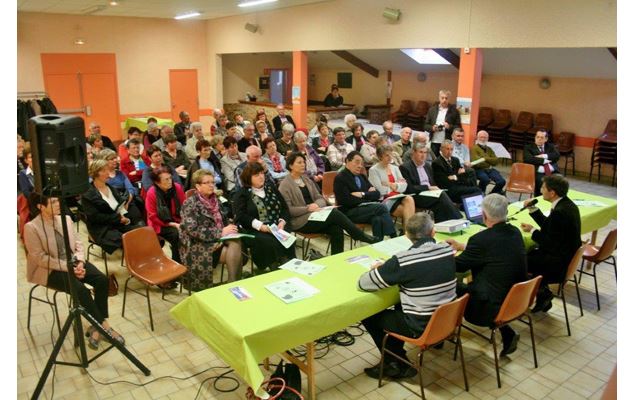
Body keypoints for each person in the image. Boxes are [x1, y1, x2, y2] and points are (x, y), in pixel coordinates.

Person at [359, 212, 456, 379]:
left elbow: (364, 283)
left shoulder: (404, 260)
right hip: (447, 321)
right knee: (401, 305)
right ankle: (398, 358)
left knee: (367, 314)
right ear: (433, 232)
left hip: (421, 326)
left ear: (406, 235)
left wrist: (383, 268)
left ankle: (397, 363)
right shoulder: (447, 249)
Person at [24, 193, 125, 349]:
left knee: (102, 280)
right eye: (53, 202)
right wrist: (69, 268)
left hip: (73, 262)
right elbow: (40, 258)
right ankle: (104, 326)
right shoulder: (32, 227)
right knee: (81, 290)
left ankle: (96, 326)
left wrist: (80, 261)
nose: (58, 204)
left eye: (58, 200)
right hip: (49, 269)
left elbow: (78, 243)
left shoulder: (66, 219)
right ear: (40, 207)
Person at [446, 194, 528, 357]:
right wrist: (464, 246)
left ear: (484, 216)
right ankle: (507, 333)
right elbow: (493, 250)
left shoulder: (481, 240)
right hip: (516, 300)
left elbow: (459, 266)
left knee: (449, 286)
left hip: (486, 306)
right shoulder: (515, 232)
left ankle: (440, 335)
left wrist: (441, 253)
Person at [279, 152, 378, 255]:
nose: (303, 164)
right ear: (290, 165)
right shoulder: (284, 185)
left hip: (315, 214)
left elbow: (320, 198)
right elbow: (288, 210)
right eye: (299, 162)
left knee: (336, 229)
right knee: (334, 213)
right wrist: (307, 209)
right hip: (300, 221)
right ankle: (358, 235)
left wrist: (316, 205)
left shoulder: (306, 179)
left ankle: (337, 259)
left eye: (304, 162)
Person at [520, 175, 581, 313]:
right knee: (528, 254)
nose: (540, 191)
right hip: (564, 255)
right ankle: (542, 291)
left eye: (543, 188)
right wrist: (532, 209)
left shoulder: (560, 212)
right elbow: (551, 227)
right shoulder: (566, 205)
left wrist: (534, 231)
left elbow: (548, 242)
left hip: (557, 262)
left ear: (552, 193)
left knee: (518, 261)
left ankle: (541, 293)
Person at [180, 170, 245, 288]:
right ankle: (234, 283)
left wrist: (229, 226)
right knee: (236, 249)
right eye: (207, 182)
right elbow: (193, 230)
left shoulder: (216, 199)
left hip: (219, 237)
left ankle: (233, 283)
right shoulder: (190, 204)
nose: (211, 185)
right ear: (198, 186)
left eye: (213, 182)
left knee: (237, 241)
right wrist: (221, 232)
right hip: (198, 244)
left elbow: (223, 219)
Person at [232, 162, 295, 272]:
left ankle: (289, 268)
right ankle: (275, 270)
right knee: (270, 242)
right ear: (248, 178)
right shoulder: (242, 194)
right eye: (256, 175)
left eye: (262, 173)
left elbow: (284, 208)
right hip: (253, 229)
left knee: (288, 240)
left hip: (277, 227)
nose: (261, 176)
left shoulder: (271, 188)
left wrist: (282, 222)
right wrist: (261, 226)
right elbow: (241, 216)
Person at [81, 159, 144, 254]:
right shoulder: (88, 194)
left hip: (117, 224)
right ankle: (138, 264)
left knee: (143, 234)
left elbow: (119, 207)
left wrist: (125, 218)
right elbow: (95, 217)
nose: (108, 173)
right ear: (95, 173)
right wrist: (118, 218)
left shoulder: (112, 189)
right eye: (104, 171)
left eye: (108, 170)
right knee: (130, 241)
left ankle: (146, 261)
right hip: (102, 229)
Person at [334, 151, 397, 239]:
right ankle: (394, 237)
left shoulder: (362, 177)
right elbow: (345, 201)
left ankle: (377, 244)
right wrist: (368, 196)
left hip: (365, 209)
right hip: (348, 212)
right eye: (357, 162)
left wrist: (362, 194)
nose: (360, 166)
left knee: (377, 219)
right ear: (347, 161)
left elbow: (377, 194)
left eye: (362, 163)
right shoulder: (340, 178)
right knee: (380, 207)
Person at [400, 143, 462, 222]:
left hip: (430, 194)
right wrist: (428, 187)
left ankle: (441, 225)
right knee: (442, 196)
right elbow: (409, 188)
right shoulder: (405, 167)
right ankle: (458, 219)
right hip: (416, 195)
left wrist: (433, 188)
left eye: (425, 153)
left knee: (440, 203)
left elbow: (433, 183)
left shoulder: (428, 166)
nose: (423, 155)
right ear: (414, 153)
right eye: (420, 152)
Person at [145, 166, 186, 264]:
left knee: (191, 229)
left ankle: (190, 258)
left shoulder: (177, 187)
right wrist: (171, 224)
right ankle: (177, 264)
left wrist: (185, 221)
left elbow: (185, 206)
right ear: (157, 182)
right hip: (159, 223)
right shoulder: (152, 193)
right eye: (166, 179)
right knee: (177, 235)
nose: (170, 181)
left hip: (177, 219)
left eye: (170, 178)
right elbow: (153, 216)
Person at [368, 145, 416, 227]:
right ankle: (408, 233)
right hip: (385, 199)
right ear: (380, 156)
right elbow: (380, 190)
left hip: (398, 196)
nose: (390, 157)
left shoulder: (395, 168)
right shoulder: (373, 170)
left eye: (391, 154)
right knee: (407, 211)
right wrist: (396, 186)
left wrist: (391, 184)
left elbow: (404, 185)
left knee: (409, 198)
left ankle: (407, 233)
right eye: (387, 155)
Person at [424, 90, 462, 156]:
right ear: (439, 98)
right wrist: (432, 128)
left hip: (447, 142)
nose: (444, 100)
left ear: (449, 99)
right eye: (442, 98)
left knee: (445, 161)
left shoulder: (454, 111)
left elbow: (458, 127)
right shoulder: (432, 110)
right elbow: (425, 125)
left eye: (446, 98)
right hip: (434, 141)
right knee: (434, 161)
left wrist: (449, 126)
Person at [523, 129, 560, 196]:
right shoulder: (528, 147)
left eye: (542, 137)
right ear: (535, 137)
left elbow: (556, 155)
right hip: (538, 172)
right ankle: (540, 199)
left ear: (546, 139)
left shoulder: (550, 146)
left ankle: (556, 199)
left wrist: (543, 156)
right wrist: (543, 161)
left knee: (560, 181)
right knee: (542, 182)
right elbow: (527, 159)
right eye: (537, 137)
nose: (539, 139)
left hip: (552, 171)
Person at [470, 130, 506, 195]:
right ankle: (480, 193)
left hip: (490, 169)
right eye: (481, 137)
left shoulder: (489, 149)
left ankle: (492, 194)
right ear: (477, 138)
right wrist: (489, 160)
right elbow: (477, 163)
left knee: (502, 181)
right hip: (478, 170)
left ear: (487, 138)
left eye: (485, 137)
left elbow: (495, 161)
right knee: (485, 179)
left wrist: (485, 158)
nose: (483, 139)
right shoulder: (474, 148)